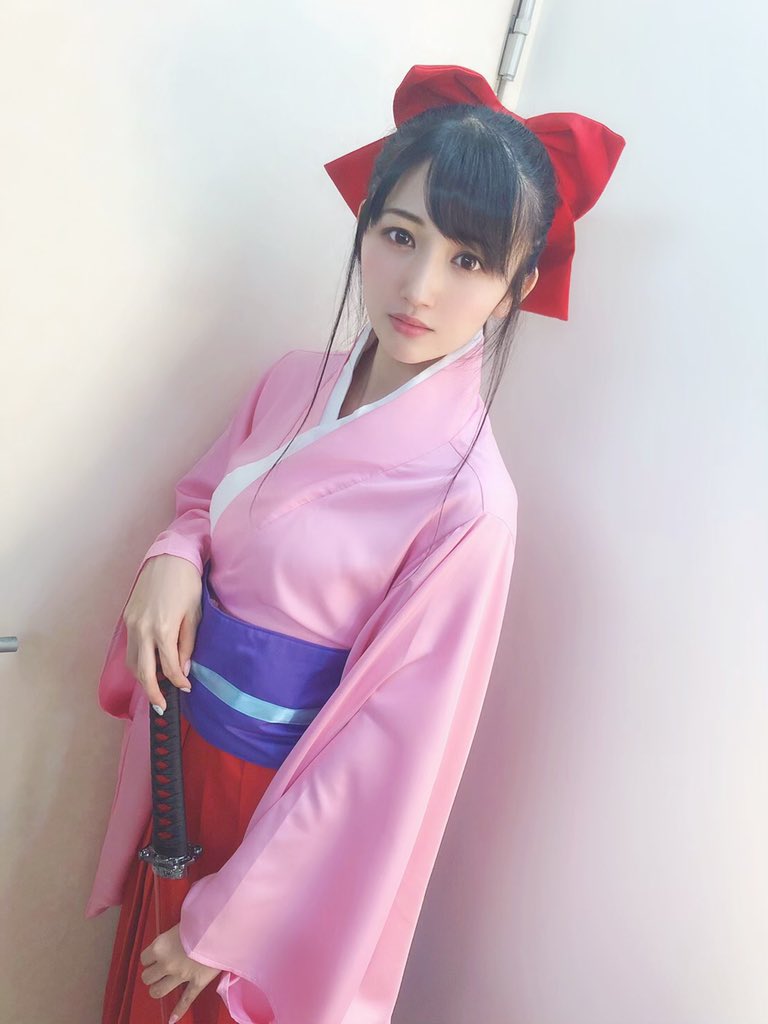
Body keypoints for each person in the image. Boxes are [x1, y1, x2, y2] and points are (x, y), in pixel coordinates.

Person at [87, 64, 625, 1024]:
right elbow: (203, 500)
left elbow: (381, 755)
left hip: (281, 827)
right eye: (401, 236)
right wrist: (172, 556)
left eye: (469, 261)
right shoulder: (292, 380)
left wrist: (233, 919)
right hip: (182, 758)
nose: (420, 287)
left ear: (516, 289)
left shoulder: (470, 504)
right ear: (366, 226)